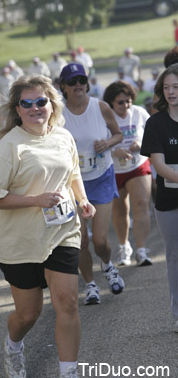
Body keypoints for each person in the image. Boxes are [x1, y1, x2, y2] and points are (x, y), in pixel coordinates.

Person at [0, 74, 96, 378]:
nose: (35, 108)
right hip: (20, 242)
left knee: (68, 301)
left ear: (51, 104)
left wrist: (83, 200)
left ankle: (68, 374)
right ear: (17, 109)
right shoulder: (7, 149)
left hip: (63, 231)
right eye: (27, 103)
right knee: (28, 315)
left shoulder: (63, 137)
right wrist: (35, 200)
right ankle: (13, 346)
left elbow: (73, 172)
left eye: (41, 101)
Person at [59, 63, 124, 306]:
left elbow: (118, 134)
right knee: (81, 241)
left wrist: (107, 144)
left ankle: (107, 265)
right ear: (63, 87)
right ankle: (90, 284)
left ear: (87, 83)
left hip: (101, 177)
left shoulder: (101, 107)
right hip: (73, 184)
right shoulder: (58, 114)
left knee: (99, 240)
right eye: (72, 81)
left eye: (81, 81)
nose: (78, 85)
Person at [140, 63, 178, 333]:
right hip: (169, 202)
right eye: (166, 88)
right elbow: (159, 165)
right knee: (174, 257)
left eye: (176, 87)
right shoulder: (155, 123)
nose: (170, 92)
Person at [103, 80, 152, 267]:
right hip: (114, 168)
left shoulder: (139, 113)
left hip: (138, 165)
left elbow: (153, 133)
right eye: (120, 102)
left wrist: (141, 144)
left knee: (141, 204)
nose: (125, 105)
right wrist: (114, 151)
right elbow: (96, 142)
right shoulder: (105, 116)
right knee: (120, 210)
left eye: (128, 100)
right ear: (111, 103)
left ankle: (141, 250)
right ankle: (124, 247)